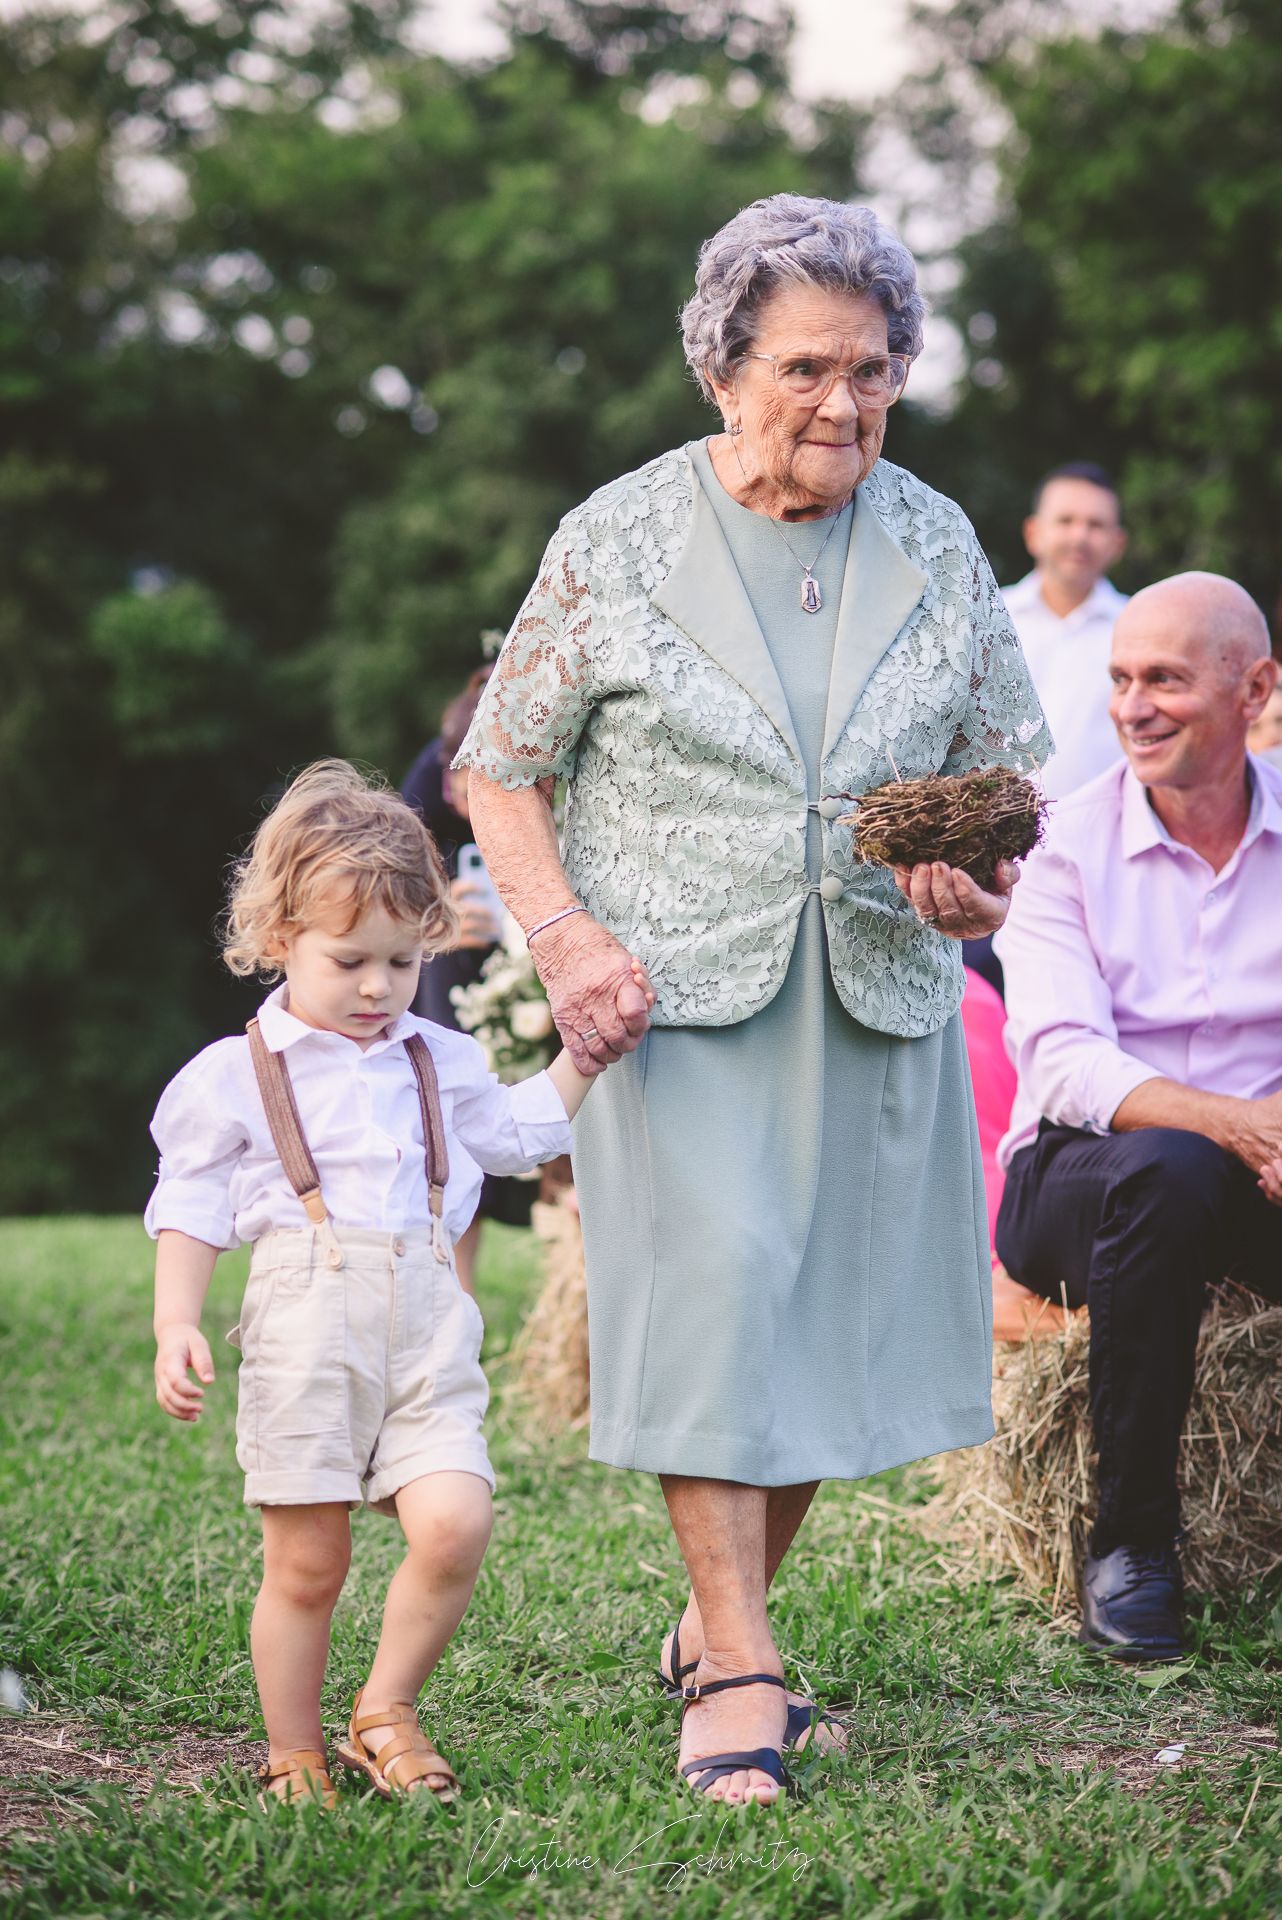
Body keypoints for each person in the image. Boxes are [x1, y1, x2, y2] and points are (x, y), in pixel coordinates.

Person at [454, 193, 1051, 1807]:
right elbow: (497, 770)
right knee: (722, 1292)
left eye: (871, 369)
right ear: (724, 370)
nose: (841, 403)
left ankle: (726, 1625)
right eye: (804, 367)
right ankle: (735, 1664)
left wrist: (974, 877)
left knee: (806, 1328)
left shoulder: (931, 535)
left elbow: (1005, 776)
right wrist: (567, 939)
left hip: (871, 984)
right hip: (671, 993)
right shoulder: (618, 536)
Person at [145, 762, 636, 1807]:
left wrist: (585, 1055)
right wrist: (175, 1322)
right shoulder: (237, 1073)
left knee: (456, 1521)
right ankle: (294, 1749)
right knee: (310, 1563)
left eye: (402, 964)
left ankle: (385, 1706)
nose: (377, 988)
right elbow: (191, 1204)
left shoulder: (439, 1058)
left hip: (424, 1326)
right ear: (278, 939)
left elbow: (515, 1135)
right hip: (305, 1330)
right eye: (349, 962)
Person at [994, 574, 1282, 1659]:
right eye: (1119, 680)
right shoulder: (1059, 845)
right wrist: (1239, 1127)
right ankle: (1129, 1543)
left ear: (1253, 687)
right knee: (1168, 1168)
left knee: (1192, 1169)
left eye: (1163, 679)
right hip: (1084, 1180)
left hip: (1259, 1168)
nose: (1132, 706)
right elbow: (1065, 1062)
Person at [403, 667, 543, 1292]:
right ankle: (454, 1282)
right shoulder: (426, 788)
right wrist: (440, 919)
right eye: (453, 779)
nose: (458, 796)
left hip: (538, 947)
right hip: (451, 961)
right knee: (450, 1106)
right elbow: (389, 885)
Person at [1002, 463, 1129, 803]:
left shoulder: (1138, 628)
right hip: (990, 840)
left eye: (1095, 525)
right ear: (1033, 533)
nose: (1079, 537)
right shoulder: (989, 615)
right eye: (1065, 521)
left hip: (1106, 840)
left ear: (1118, 543)